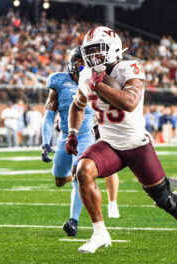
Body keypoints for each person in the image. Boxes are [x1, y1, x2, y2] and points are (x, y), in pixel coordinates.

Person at [66, 26, 177, 264]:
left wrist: (99, 86)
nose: (94, 56)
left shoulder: (130, 68)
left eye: (99, 50)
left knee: (165, 200)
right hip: (109, 143)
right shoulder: (86, 76)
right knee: (83, 170)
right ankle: (99, 232)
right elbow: (77, 104)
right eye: (90, 51)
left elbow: (130, 102)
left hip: (137, 145)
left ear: (114, 49)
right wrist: (72, 133)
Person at [42, 46, 120, 238]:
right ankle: (76, 179)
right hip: (64, 136)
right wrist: (45, 142)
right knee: (60, 180)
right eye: (79, 61)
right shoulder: (58, 80)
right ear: (71, 61)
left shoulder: (94, 79)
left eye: (84, 61)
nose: (82, 64)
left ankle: (73, 221)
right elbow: (49, 115)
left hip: (85, 135)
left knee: (79, 174)